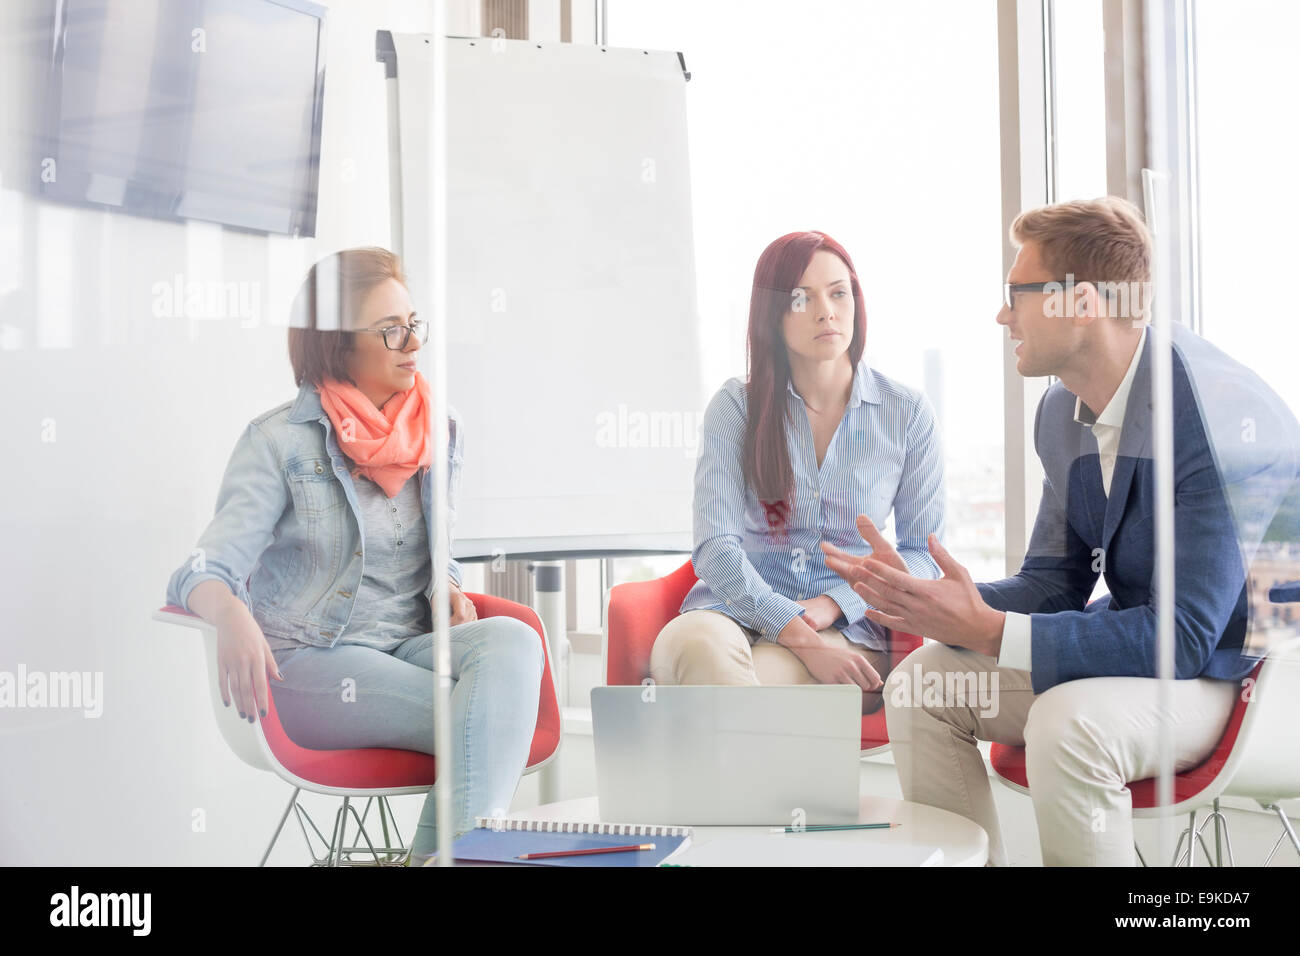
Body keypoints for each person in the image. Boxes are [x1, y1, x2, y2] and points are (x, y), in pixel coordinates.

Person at [823, 196, 1300, 865]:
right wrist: (931, 604)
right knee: (923, 685)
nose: (1002, 313)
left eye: (1017, 293)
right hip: (1155, 657)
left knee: (1066, 724)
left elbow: (1189, 637)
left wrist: (988, 630)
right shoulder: (1061, 411)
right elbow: (1055, 582)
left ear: (1081, 301)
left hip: (1254, 674)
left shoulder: (1218, 412)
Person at [164, 247, 543, 862]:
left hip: (410, 644)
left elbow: (439, 548)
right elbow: (202, 570)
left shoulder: (439, 429)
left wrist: (445, 582)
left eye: (413, 323)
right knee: (482, 718)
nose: (410, 342)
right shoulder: (277, 441)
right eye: (390, 330)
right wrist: (231, 613)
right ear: (338, 346)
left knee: (516, 645)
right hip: (313, 661)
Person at [650, 231, 946, 714]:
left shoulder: (906, 412)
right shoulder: (736, 408)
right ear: (772, 316)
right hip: (728, 614)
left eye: (838, 293)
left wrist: (832, 604)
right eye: (800, 299)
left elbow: (922, 556)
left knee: (751, 687)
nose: (826, 311)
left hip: (844, 630)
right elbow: (715, 548)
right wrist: (792, 628)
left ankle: (727, 781)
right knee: (701, 649)